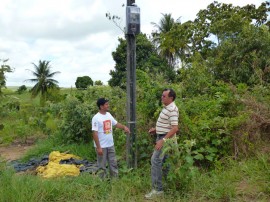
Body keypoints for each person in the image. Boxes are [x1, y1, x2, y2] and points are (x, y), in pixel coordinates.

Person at [145, 88, 179, 199]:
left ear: (171, 98)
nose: (162, 97)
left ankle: (157, 189)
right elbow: (168, 125)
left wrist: (162, 140)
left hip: (165, 139)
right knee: (165, 163)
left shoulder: (172, 109)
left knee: (155, 160)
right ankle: (170, 185)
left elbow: (174, 128)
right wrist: (156, 129)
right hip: (162, 136)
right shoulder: (166, 107)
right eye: (162, 95)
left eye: (164, 96)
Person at [92, 98, 130, 178]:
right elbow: (95, 133)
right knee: (102, 166)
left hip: (110, 145)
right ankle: (102, 183)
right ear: (101, 106)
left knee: (113, 163)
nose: (108, 105)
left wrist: (124, 127)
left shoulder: (108, 115)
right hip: (101, 146)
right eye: (106, 104)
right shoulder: (96, 118)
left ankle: (115, 181)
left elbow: (115, 124)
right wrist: (99, 148)